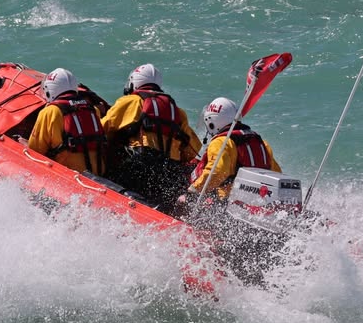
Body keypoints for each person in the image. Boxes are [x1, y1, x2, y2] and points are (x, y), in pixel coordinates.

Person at [100, 63, 202, 212]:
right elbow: (191, 152)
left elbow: (101, 130)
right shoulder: (177, 112)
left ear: (134, 82)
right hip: (169, 173)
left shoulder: (130, 101)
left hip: (139, 170)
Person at [187, 96, 281, 202]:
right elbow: (276, 173)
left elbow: (216, 172)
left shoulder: (220, 142)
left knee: (184, 200)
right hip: (259, 201)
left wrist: (193, 190)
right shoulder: (261, 142)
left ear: (212, 122)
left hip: (228, 201)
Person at [28, 68, 107, 176]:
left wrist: (23, 143)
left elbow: (36, 151)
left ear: (49, 90)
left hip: (70, 177)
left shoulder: (50, 112)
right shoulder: (93, 110)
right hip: (99, 175)